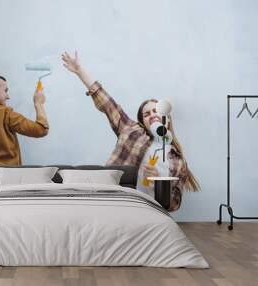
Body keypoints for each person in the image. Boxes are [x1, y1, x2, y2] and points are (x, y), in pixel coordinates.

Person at [61, 51, 199, 211]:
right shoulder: (132, 131)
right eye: (147, 114)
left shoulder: (178, 161)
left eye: (156, 111)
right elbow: (107, 104)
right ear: (143, 122)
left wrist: (160, 182)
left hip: (150, 211)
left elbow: (174, 204)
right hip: (117, 203)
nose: (152, 115)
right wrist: (80, 71)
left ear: (166, 118)